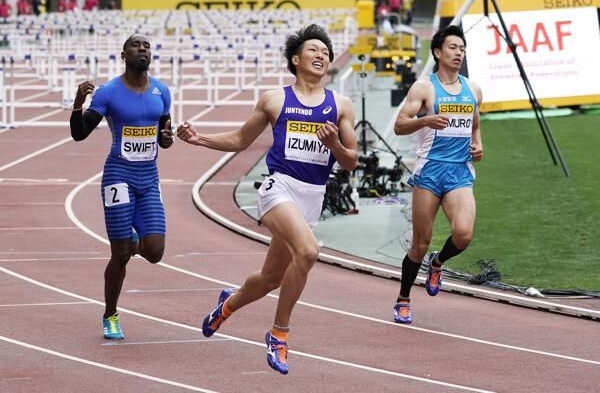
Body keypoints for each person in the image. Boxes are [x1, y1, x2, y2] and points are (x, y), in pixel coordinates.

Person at [177, 24, 358, 374]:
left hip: (312, 197)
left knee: (270, 279)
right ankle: (279, 335)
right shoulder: (274, 99)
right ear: (295, 59)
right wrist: (200, 139)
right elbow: (240, 140)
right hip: (279, 189)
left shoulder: (341, 105)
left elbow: (351, 160)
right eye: (313, 50)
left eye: (326, 52)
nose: (321, 55)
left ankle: (227, 305)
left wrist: (334, 145)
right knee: (308, 252)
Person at [69, 34, 174, 339]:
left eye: (147, 46)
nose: (142, 50)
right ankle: (110, 314)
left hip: (149, 179)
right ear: (124, 55)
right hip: (118, 176)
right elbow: (79, 134)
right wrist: (78, 104)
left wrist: (166, 139)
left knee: (155, 252)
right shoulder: (109, 92)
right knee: (120, 254)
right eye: (136, 46)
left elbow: (164, 135)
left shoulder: (161, 91)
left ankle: (132, 240)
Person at [391, 25, 483, 324]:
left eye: (462, 48)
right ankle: (403, 299)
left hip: (459, 172)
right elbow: (399, 125)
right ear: (438, 52)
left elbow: (475, 123)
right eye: (453, 47)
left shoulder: (473, 89)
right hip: (430, 171)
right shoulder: (424, 88)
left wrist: (478, 144)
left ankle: (438, 262)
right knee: (420, 243)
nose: (459, 53)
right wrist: (425, 121)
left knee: (463, 234)